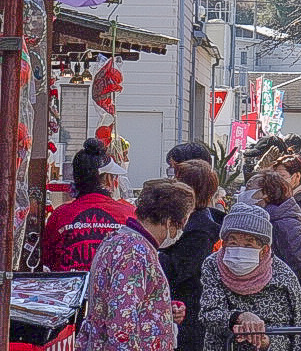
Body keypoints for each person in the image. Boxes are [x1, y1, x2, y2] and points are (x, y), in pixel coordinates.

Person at [78, 177, 195, 351]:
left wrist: (161, 310)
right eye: (183, 222)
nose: (180, 231)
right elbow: (121, 322)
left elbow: (124, 302)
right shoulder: (135, 251)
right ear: (169, 221)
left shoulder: (119, 241)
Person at [197, 203, 301, 351]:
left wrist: (264, 340)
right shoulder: (213, 265)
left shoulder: (283, 276)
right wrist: (240, 317)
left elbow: (300, 332)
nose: (239, 250)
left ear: (264, 250)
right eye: (233, 242)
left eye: (248, 245)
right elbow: (209, 314)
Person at [252, 168, 301, 331]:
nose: (245, 194)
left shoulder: (283, 224)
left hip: (295, 302)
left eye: (250, 190)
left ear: (266, 194)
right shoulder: (268, 219)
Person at [41, 137, 135, 271]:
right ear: (109, 179)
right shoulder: (129, 215)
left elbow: (47, 261)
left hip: (69, 289)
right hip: (115, 290)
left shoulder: (59, 216)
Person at [160, 159, 224, 351]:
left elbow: (182, 272)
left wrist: (157, 255)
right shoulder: (197, 221)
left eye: (177, 181)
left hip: (188, 314)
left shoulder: (199, 232)